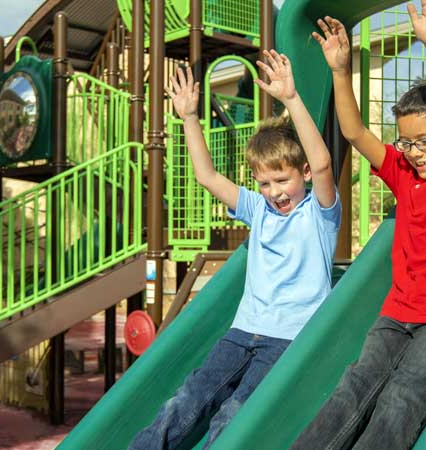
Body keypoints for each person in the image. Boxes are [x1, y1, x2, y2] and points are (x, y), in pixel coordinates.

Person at [292, 1, 426, 449]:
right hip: (400, 310)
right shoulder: (403, 172)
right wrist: (340, 72)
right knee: (355, 387)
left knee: (403, 395)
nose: (417, 152)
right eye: (408, 141)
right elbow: (354, 133)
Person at [129, 50, 341, 450]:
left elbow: (325, 163)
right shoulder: (258, 209)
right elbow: (207, 177)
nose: (275, 192)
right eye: (265, 183)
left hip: (288, 339)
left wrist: (292, 100)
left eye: (282, 180)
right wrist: (190, 117)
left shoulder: (319, 214)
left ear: (304, 174)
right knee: (187, 398)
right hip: (242, 331)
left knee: (235, 412)